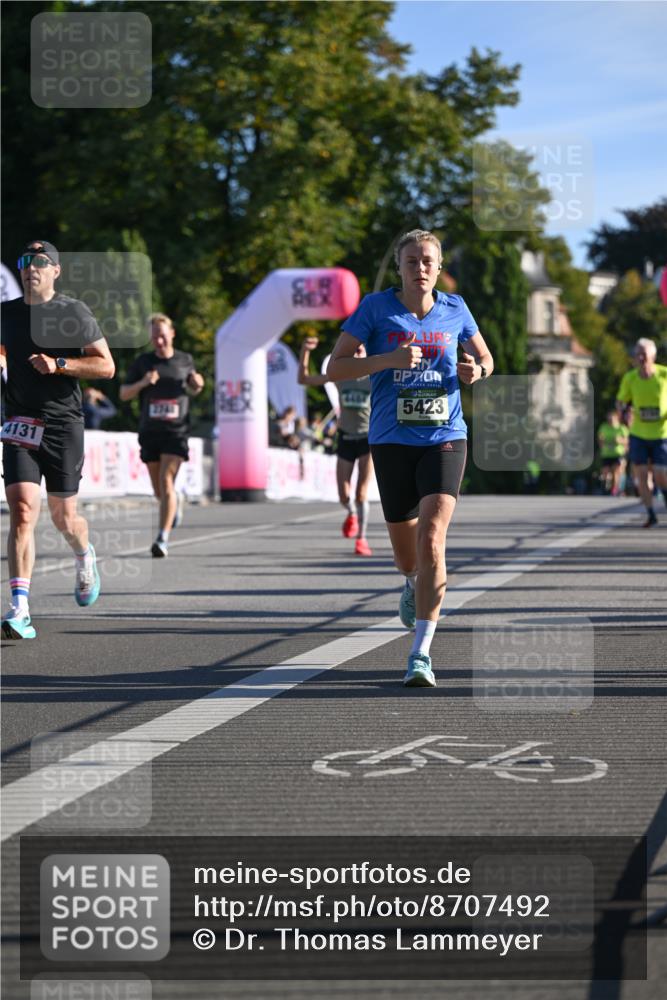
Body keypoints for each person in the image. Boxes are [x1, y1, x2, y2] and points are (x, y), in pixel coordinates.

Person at [327, 229, 493, 687]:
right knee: (407, 557)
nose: (420, 268)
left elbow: (486, 358)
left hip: (445, 435)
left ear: (439, 268)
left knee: (433, 538)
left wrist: (476, 371)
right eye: (411, 261)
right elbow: (335, 367)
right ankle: (409, 582)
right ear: (399, 268)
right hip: (391, 440)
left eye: (427, 261)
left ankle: (420, 653)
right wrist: (387, 360)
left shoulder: (456, 309)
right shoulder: (375, 309)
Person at [0, 240, 115, 639]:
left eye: (39, 261)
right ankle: (20, 609)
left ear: (55, 271)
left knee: (64, 517)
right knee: (22, 511)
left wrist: (60, 364)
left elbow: (106, 366)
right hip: (19, 421)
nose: (30, 267)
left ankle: (84, 553)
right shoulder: (6, 313)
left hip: (63, 424)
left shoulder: (73, 312)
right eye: (25, 261)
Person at [119, 313, 204, 556]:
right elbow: (124, 394)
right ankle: (174, 502)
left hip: (176, 431)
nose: (159, 341)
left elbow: (195, 387)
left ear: (172, 334)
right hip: (150, 431)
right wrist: (143, 382)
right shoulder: (143, 362)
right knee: (160, 491)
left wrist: (198, 383)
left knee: (166, 480)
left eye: (163, 335)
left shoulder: (184, 360)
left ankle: (162, 538)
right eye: (154, 336)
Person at [298, 335, 374, 556]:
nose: (357, 353)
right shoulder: (341, 377)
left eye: (361, 350)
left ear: (366, 353)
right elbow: (303, 379)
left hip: (368, 438)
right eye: (354, 350)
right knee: (343, 494)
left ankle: (361, 539)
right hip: (346, 437)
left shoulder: (374, 377)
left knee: (361, 493)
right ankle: (351, 513)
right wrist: (305, 351)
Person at [616, 338, 667, 527]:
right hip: (638, 433)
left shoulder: (664, 374)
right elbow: (621, 401)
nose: (640, 358)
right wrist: (623, 413)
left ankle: (665, 495)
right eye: (637, 354)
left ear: (653, 356)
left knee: (661, 474)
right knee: (642, 475)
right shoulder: (630, 378)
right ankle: (651, 513)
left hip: (662, 434)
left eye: (644, 354)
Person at [597, 408, 629, 496]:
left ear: (616, 418)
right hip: (606, 454)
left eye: (612, 418)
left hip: (618, 454)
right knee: (606, 472)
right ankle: (606, 487)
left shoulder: (622, 428)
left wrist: (620, 441)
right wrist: (602, 442)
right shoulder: (604, 427)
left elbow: (627, 441)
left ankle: (615, 490)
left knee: (616, 471)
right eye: (609, 418)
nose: (610, 420)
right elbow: (600, 438)